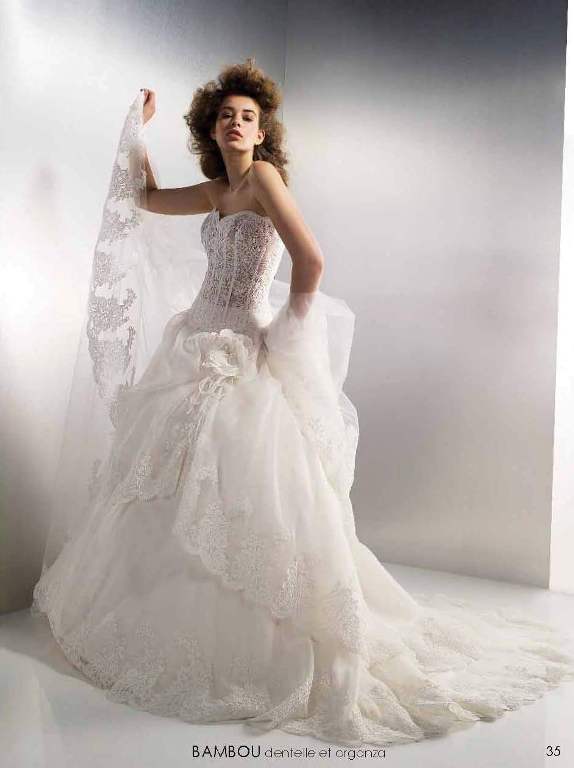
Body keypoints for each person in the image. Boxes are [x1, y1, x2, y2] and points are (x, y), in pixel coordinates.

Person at [30, 58, 574, 748]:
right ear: (211, 129)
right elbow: (146, 199)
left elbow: (310, 260)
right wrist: (134, 132)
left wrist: (287, 331)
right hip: (194, 343)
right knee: (170, 482)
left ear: (262, 133)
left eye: (248, 117)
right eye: (226, 116)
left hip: (241, 349)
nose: (236, 124)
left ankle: (259, 643)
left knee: (243, 490)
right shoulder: (217, 190)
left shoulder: (262, 180)